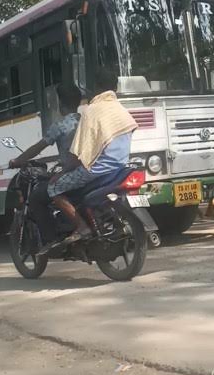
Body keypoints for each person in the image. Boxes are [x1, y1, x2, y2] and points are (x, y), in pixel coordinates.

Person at [45, 69, 136, 248]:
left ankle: (81, 227)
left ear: (96, 88)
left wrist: (62, 173)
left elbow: (79, 152)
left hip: (96, 170)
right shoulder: (121, 109)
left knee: (53, 187)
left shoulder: (92, 110)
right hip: (120, 167)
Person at [9, 83, 83, 245]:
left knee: (37, 196)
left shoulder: (61, 125)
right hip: (89, 171)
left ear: (60, 103)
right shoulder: (85, 121)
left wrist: (18, 160)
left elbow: (38, 147)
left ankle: (51, 241)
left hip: (73, 173)